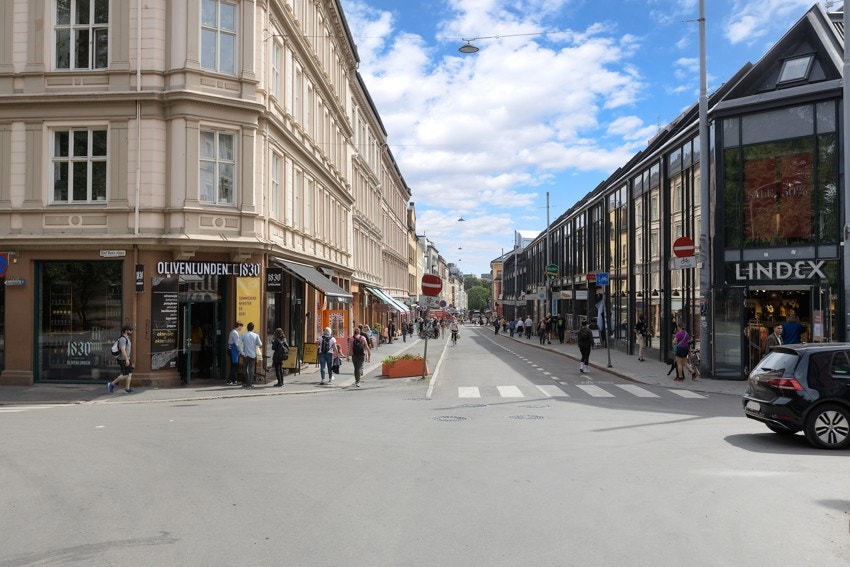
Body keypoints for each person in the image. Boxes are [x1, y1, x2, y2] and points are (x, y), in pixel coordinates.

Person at [108, 325, 135, 394]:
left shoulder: (127, 338)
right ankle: (112, 384)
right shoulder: (123, 339)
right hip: (123, 359)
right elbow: (123, 350)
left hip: (126, 358)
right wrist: (126, 359)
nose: (131, 331)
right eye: (130, 330)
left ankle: (127, 388)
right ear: (126, 331)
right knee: (125, 374)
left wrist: (128, 359)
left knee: (129, 374)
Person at [240, 322, 262, 388]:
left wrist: (242, 352)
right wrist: (255, 345)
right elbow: (260, 344)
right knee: (251, 369)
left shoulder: (243, 335)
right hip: (253, 354)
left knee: (244, 368)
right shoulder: (256, 335)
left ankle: (246, 382)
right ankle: (249, 384)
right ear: (253, 328)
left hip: (245, 354)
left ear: (247, 328)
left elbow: (239, 344)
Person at [227, 321, 243, 385]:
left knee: (234, 366)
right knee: (234, 366)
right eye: (241, 326)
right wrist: (241, 352)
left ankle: (234, 380)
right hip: (233, 351)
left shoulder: (233, 332)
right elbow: (237, 344)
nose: (241, 328)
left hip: (233, 350)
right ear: (238, 326)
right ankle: (230, 380)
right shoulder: (234, 333)